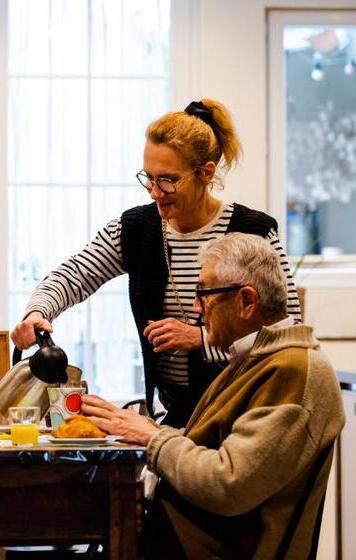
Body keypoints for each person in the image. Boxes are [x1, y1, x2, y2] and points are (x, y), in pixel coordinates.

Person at [10, 99, 301, 427]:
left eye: (168, 180)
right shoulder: (136, 229)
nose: (154, 191)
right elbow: (74, 274)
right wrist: (38, 312)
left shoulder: (255, 231)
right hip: (173, 411)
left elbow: (288, 333)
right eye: (148, 178)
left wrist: (202, 339)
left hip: (244, 409)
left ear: (206, 173)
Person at [81, 233, 345, 559]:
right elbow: (209, 451)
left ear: (246, 301)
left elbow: (227, 483)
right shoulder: (256, 359)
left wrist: (153, 439)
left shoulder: (291, 371)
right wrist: (137, 430)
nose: (196, 308)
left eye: (203, 294)